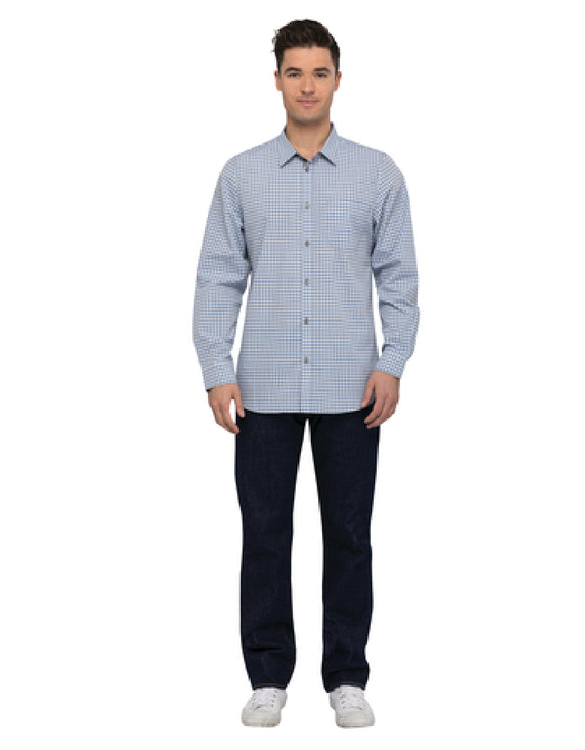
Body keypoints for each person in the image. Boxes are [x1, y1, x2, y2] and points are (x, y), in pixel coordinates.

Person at [192, 19, 419, 728]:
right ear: (277, 80)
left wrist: (392, 362)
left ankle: (346, 677)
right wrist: (216, 368)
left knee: (349, 532)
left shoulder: (377, 173)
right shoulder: (242, 174)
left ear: (338, 80)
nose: (308, 85)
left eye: (320, 72)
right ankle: (267, 677)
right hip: (261, 387)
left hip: (353, 386)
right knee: (265, 533)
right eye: (295, 72)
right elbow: (219, 277)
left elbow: (399, 277)